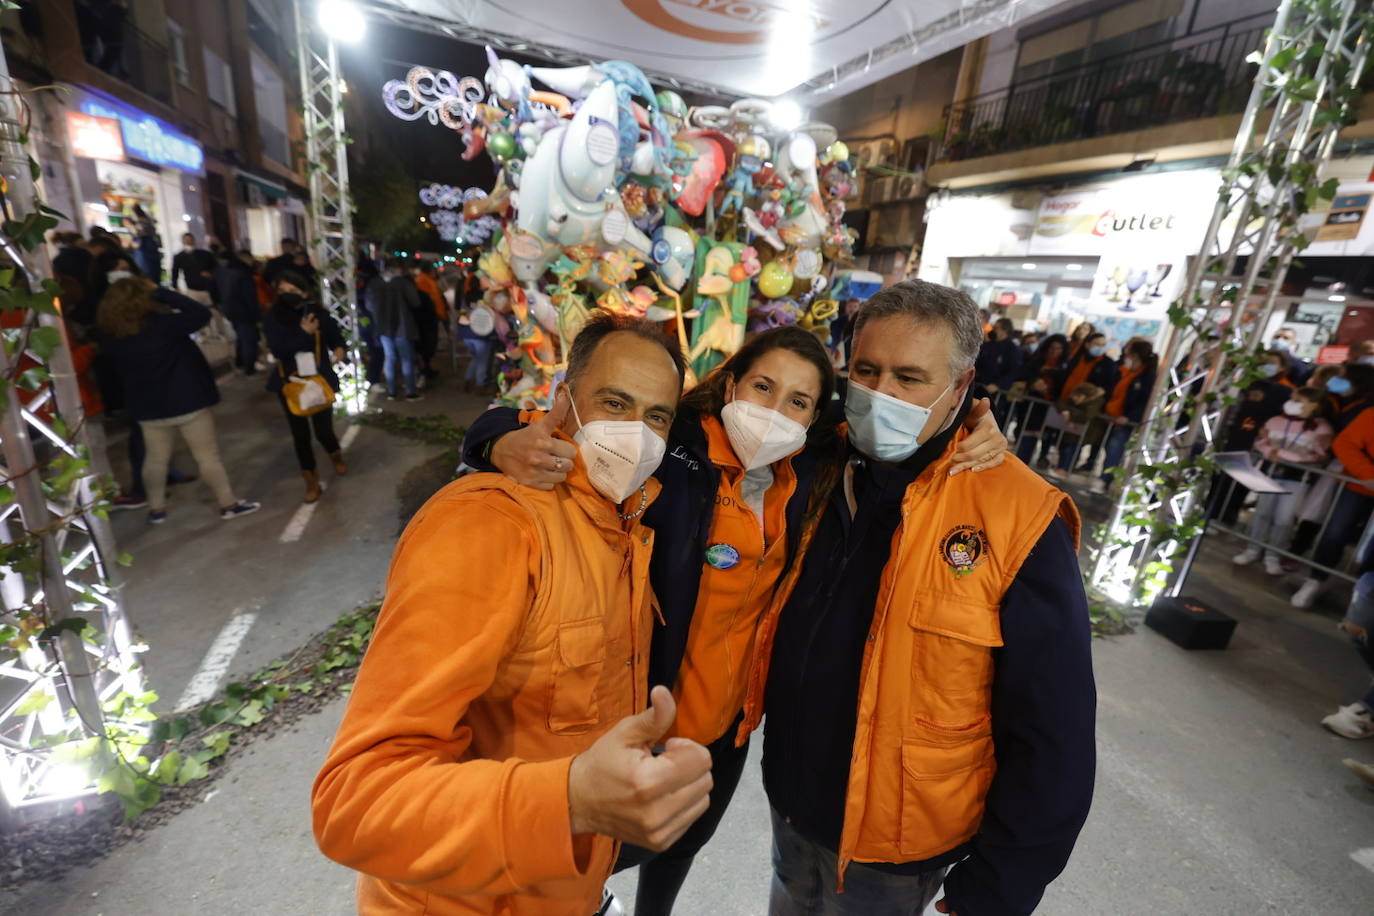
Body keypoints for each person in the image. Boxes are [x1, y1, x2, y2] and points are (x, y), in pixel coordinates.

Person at [460, 323, 1010, 915]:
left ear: (813, 417)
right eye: (762, 387)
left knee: (681, 846)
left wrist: (974, 425)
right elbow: (549, 426)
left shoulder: (806, 467)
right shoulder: (670, 446)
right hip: (642, 712)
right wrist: (491, 441)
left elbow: (905, 431)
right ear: (730, 384)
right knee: (591, 856)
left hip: (725, 730)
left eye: (797, 401)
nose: (774, 412)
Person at [313, 314, 715, 915]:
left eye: (656, 416)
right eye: (614, 401)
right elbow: (357, 802)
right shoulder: (492, 528)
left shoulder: (623, 526)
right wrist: (570, 803)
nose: (636, 433)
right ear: (563, 403)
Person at [756, 281, 1094, 916]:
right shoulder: (816, 460)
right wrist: (502, 433)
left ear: (961, 387)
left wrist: (999, 885)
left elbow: (1055, 728)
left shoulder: (1018, 518)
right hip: (793, 802)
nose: (881, 394)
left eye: (910, 378)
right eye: (866, 370)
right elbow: (704, 415)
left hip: (897, 846)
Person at [94, 277, 259, 523]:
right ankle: (228, 504)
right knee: (207, 456)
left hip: (147, 406)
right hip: (187, 400)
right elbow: (200, 313)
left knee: (155, 459)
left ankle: (157, 509)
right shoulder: (164, 324)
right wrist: (161, 292)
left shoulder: (109, 335)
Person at [263, 272, 348, 503]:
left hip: (318, 381)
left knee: (323, 431)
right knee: (300, 436)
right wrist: (303, 333)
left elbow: (336, 338)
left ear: (305, 291)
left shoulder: (318, 313)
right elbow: (279, 350)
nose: (287, 296)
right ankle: (311, 482)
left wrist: (340, 350)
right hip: (291, 384)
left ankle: (335, 455)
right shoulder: (274, 318)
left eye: (293, 291)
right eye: (282, 292)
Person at [1292, 376, 1374, 609]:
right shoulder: (1370, 415)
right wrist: (1367, 474)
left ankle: (1363, 596)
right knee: (1335, 533)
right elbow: (1344, 443)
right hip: (1359, 486)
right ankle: (1316, 579)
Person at [1233, 387, 1333, 576]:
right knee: (1262, 513)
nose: (1292, 403)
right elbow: (1262, 442)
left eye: (1299, 400)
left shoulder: (1321, 428)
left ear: (1314, 405)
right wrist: (1269, 451)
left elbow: (1318, 455)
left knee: (1284, 519)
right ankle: (1252, 549)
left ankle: (1273, 555)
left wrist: (1285, 454)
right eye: (1292, 399)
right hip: (1270, 473)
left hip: (1297, 478)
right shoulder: (1275, 421)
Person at [1093, 338, 1158, 495]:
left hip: (1126, 421)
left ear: (1135, 354)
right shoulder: (1125, 371)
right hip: (1113, 417)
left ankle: (1105, 479)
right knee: (1109, 447)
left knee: (1115, 447)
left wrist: (1130, 417)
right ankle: (1106, 477)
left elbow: (1144, 401)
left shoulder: (1147, 376)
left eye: (1128, 351)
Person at [1012, 333, 1068, 465]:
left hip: (1053, 405)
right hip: (1032, 404)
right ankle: (1021, 462)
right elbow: (1024, 374)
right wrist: (1034, 382)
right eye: (1052, 347)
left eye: (1058, 348)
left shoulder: (1065, 365)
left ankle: (1042, 457)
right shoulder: (1037, 360)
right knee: (1027, 434)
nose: (1054, 351)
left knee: (1047, 435)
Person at [374, 258, 422, 401]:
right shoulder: (403, 283)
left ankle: (391, 392)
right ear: (399, 270)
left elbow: (371, 304)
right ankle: (410, 392)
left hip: (384, 328)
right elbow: (416, 302)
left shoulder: (377, 283)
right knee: (407, 359)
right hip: (403, 328)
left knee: (389, 358)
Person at [213, 250, 263, 376]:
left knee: (241, 337)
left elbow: (213, 289)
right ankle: (249, 367)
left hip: (229, 310)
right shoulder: (243, 273)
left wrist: (219, 304)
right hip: (244, 311)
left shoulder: (221, 271)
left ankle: (240, 362)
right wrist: (257, 317)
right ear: (246, 258)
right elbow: (250, 297)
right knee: (249, 340)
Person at [974, 316, 1022, 395]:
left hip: (996, 393)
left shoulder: (1013, 349)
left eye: (996, 328)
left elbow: (1013, 372)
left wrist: (998, 385)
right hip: (979, 386)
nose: (993, 331)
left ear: (1005, 330)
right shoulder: (988, 345)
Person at [412, 263, 444, 381]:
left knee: (430, 344)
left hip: (432, 316)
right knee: (427, 344)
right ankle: (424, 371)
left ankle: (427, 369)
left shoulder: (429, 280)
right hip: (427, 318)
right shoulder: (423, 281)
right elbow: (426, 301)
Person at [171, 233, 218, 304]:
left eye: (190, 240)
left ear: (194, 241)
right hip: (192, 289)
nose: (188, 242)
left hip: (208, 288)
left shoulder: (205, 254)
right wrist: (175, 286)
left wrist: (210, 273)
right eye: (186, 240)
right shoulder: (179, 257)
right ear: (183, 241)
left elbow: (215, 267)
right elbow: (175, 272)